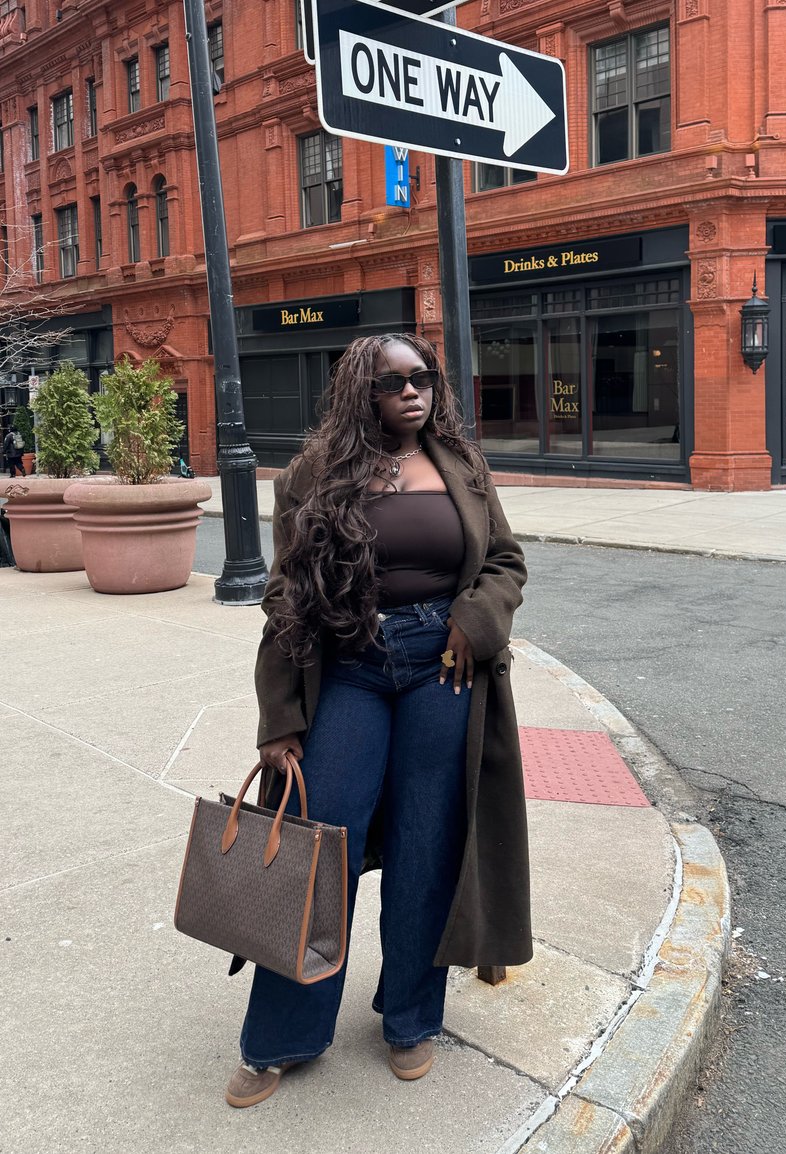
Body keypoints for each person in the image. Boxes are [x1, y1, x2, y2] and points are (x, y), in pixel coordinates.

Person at [226, 333, 531, 1109]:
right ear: (359, 392)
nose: (412, 393)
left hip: (443, 666)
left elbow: (504, 560)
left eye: (422, 379)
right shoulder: (310, 476)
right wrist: (279, 719)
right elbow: (287, 595)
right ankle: (282, 1034)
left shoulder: (461, 465)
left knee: (428, 843)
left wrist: (476, 618)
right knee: (320, 843)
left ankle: (410, 1018)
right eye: (393, 382)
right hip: (351, 670)